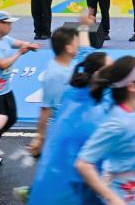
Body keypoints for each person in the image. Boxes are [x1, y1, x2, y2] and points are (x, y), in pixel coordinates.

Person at [76, 55, 135, 205]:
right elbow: (83, 164)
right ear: (131, 86)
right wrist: (113, 198)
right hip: (120, 196)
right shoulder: (117, 123)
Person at [27, 51, 111, 205]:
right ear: (99, 74)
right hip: (72, 189)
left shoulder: (72, 95)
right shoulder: (95, 113)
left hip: (51, 182)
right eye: (111, 68)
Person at [0, 11, 41, 166]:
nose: (10, 26)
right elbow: (2, 64)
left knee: (11, 118)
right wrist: (19, 53)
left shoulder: (4, 39)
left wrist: (28, 45)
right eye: (8, 23)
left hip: (5, 88)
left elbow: (17, 42)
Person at [27, 14, 95, 158]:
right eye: (75, 41)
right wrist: (40, 137)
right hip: (66, 131)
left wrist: (84, 27)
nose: (78, 44)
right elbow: (45, 109)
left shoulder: (68, 65)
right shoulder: (55, 75)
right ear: (68, 48)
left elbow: (85, 53)